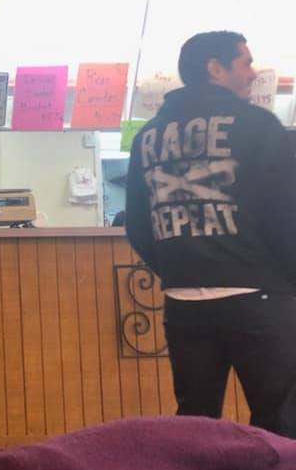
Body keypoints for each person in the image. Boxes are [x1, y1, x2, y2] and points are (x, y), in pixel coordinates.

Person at [125, 30, 296, 437]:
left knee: (196, 426)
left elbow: (137, 224)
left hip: (184, 304)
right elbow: (284, 215)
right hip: (258, 298)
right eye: (245, 63)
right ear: (215, 68)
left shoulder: (148, 136)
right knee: (279, 422)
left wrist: (179, 272)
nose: (252, 73)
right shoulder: (258, 126)